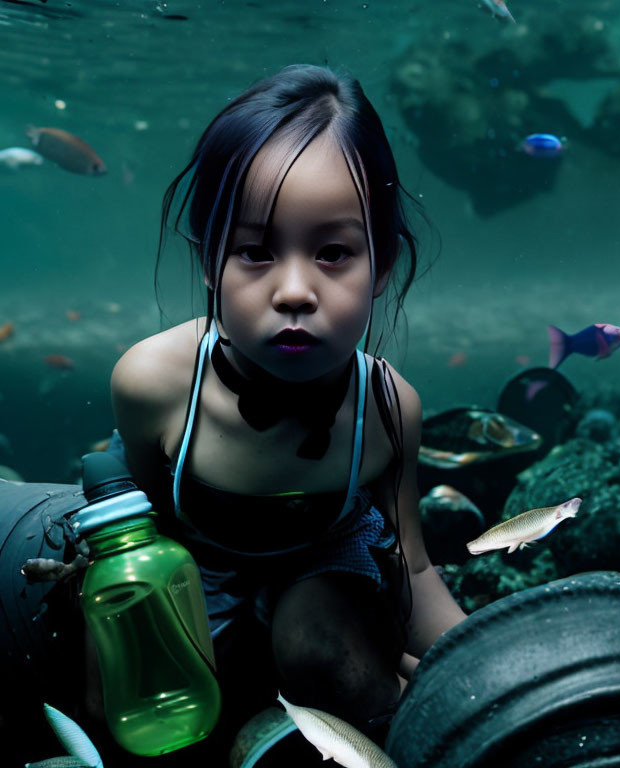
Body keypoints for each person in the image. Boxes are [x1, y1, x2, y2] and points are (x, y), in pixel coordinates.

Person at [102, 64, 466, 749]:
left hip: (326, 561)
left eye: (332, 253)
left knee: (321, 644)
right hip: (191, 562)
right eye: (255, 251)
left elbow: (415, 568)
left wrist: (485, 676)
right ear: (210, 260)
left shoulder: (389, 408)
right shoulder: (151, 384)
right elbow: (145, 544)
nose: (294, 290)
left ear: (382, 264)